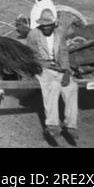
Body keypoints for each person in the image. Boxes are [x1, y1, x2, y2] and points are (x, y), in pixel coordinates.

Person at [27, 9, 78, 146]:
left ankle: (71, 125)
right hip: (42, 67)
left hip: (59, 67)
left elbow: (63, 53)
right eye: (44, 26)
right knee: (53, 86)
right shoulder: (34, 35)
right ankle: (52, 125)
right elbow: (31, 57)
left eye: (49, 25)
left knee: (72, 87)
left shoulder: (59, 33)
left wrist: (66, 72)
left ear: (54, 25)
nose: (46, 28)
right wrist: (48, 66)